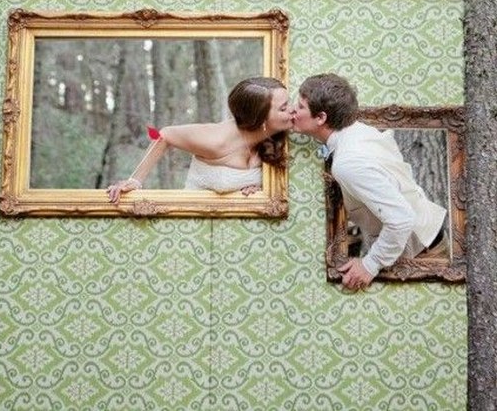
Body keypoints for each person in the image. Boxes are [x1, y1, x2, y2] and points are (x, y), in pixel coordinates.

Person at [292, 73, 447, 291]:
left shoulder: (348, 162)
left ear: (321, 118)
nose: (292, 111)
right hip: (429, 234)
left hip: (425, 251)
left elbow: (401, 220)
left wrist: (370, 264)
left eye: (299, 106)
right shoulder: (357, 131)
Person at [107, 76, 293, 201]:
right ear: (260, 119)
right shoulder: (216, 141)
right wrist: (135, 180)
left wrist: (259, 190)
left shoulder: (274, 136)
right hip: (193, 222)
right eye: (283, 108)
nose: (292, 110)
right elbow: (164, 135)